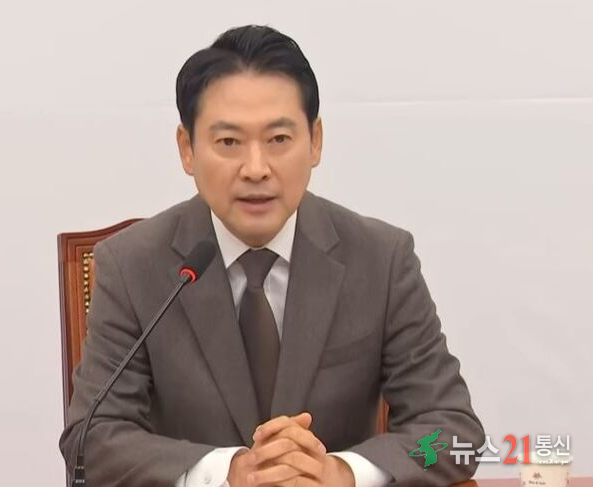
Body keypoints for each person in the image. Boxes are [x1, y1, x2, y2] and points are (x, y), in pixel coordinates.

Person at [60, 24, 485, 486]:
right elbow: (91, 441)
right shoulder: (132, 265)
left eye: (279, 139)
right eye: (229, 142)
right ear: (187, 149)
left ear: (315, 140)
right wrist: (227, 472)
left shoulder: (381, 260)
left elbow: (452, 435)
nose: (256, 169)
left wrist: (345, 472)